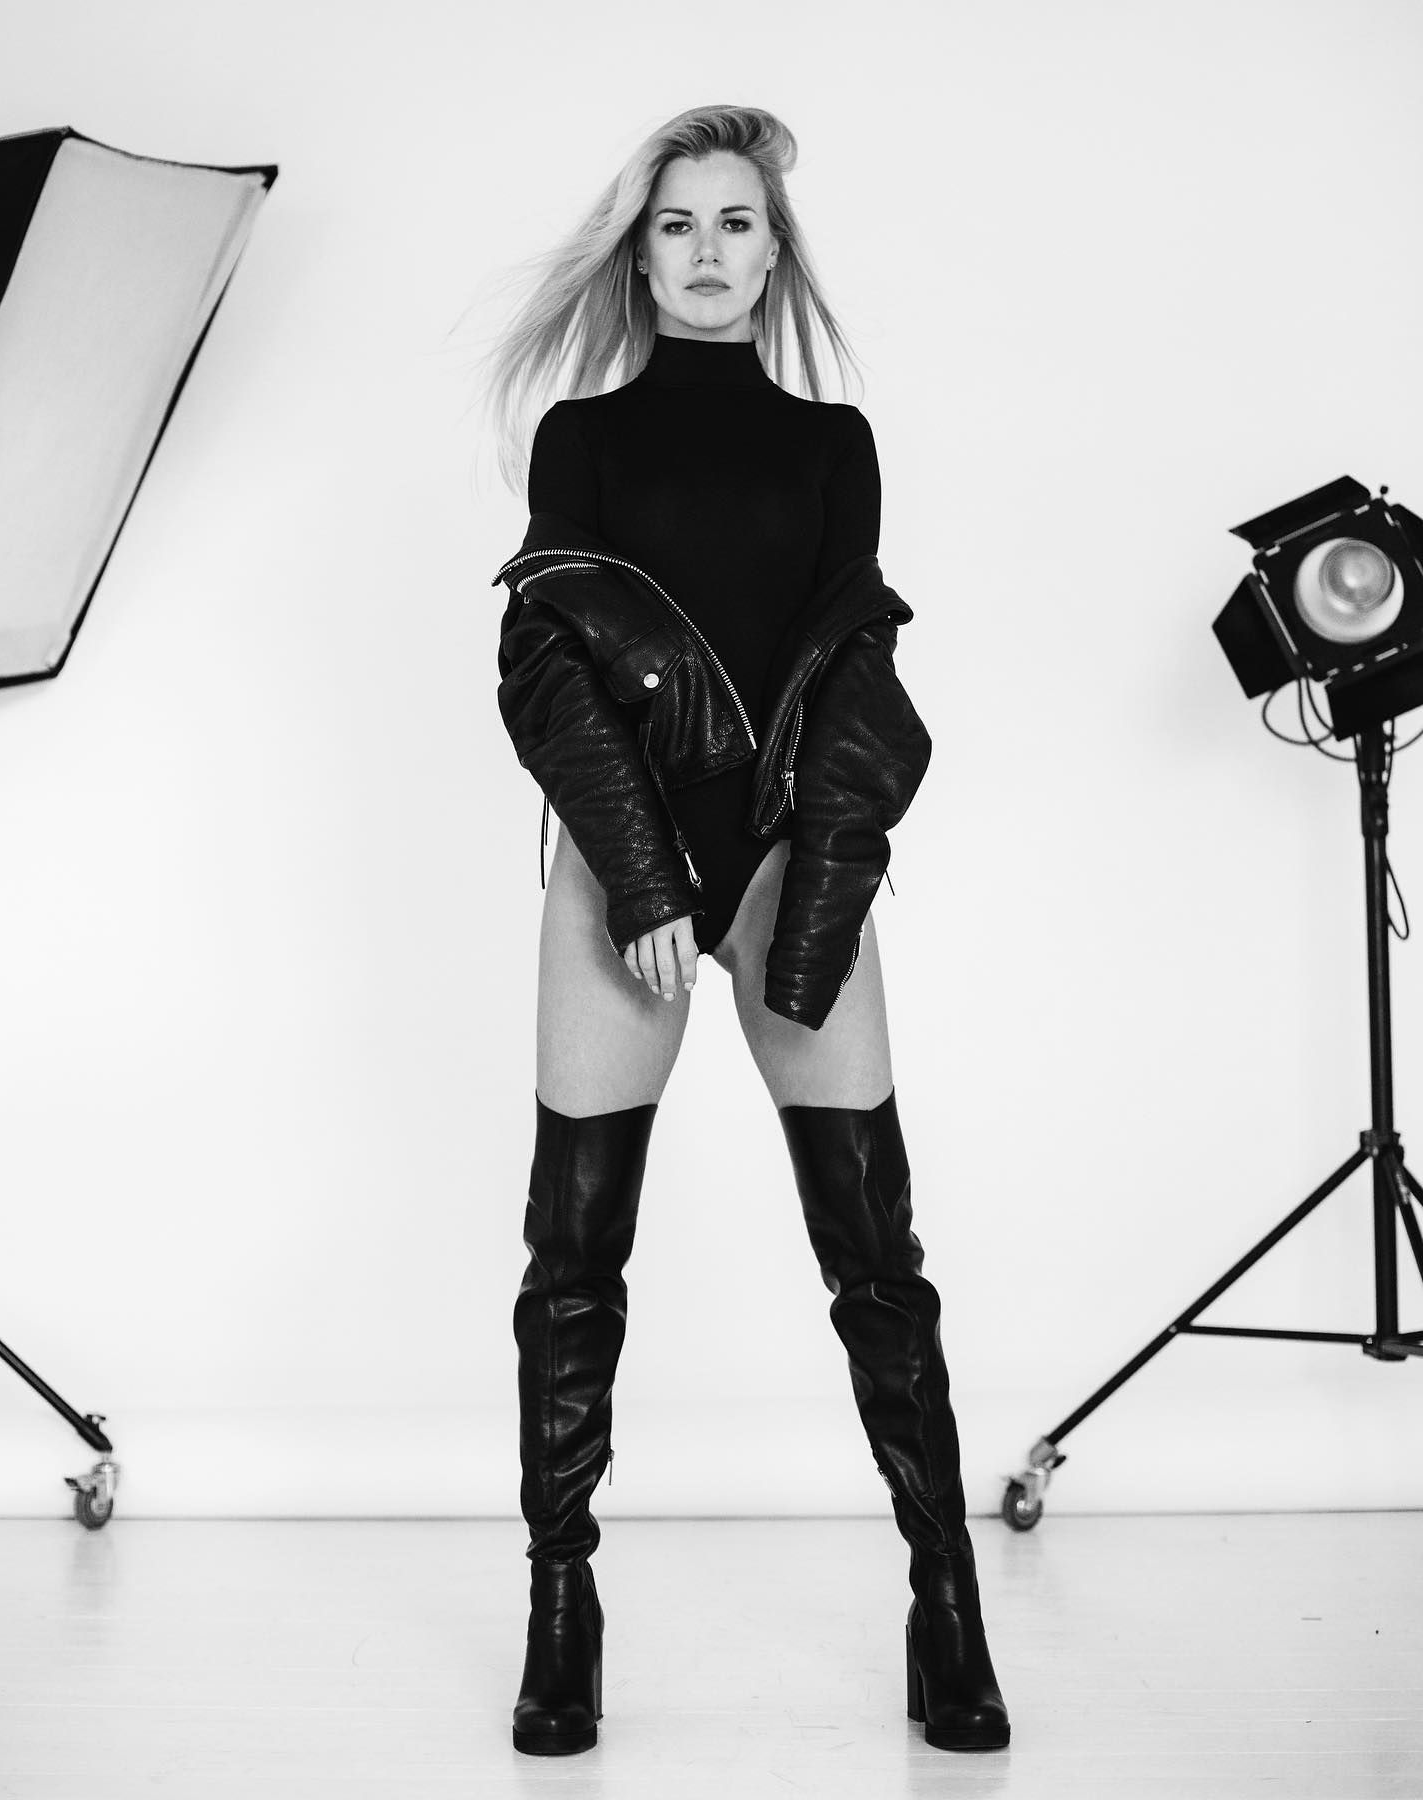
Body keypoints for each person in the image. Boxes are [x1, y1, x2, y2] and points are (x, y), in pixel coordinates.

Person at [476, 103, 1009, 1758]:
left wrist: (821, 891)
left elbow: (857, 678)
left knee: (876, 1252)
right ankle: (562, 1610)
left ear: (776, 255)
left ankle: (947, 1604)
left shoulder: (837, 444)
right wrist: (642, 879)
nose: (706, 251)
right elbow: (547, 668)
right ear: (639, 258)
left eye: (735, 224)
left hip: (790, 859)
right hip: (619, 864)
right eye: (677, 225)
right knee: (574, 1259)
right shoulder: (581, 437)